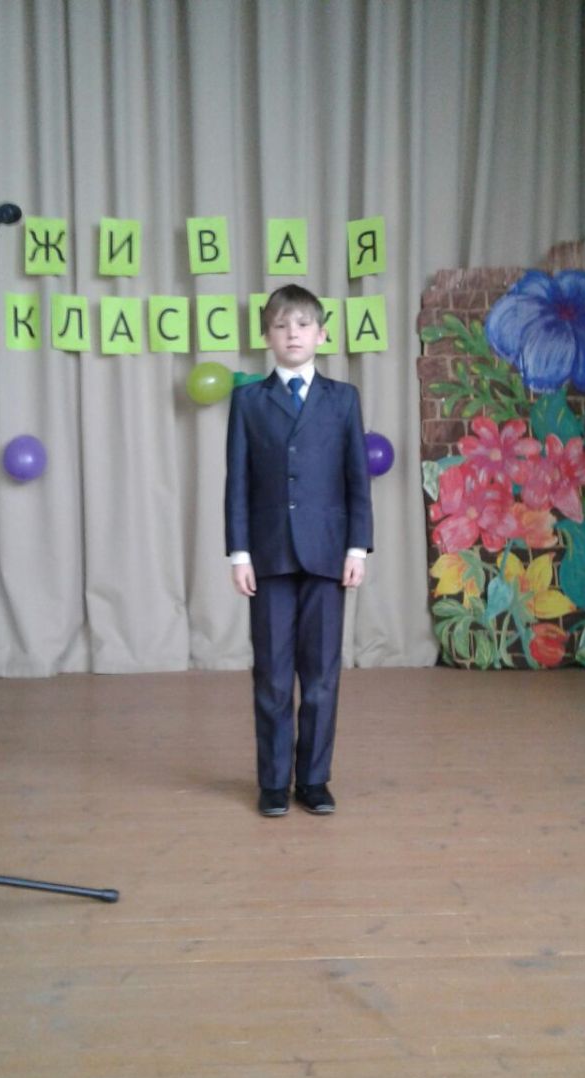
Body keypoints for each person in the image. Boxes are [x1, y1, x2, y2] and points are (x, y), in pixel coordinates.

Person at [225, 284, 374, 817]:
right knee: (271, 674)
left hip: (328, 555)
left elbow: (357, 479)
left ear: (321, 334)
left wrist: (358, 547)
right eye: (281, 326)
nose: (293, 334)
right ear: (267, 336)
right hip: (268, 558)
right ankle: (272, 782)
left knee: (321, 675)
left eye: (303, 325)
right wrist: (239, 554)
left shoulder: (343, 399)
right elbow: (237, 483)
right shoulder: (248, 401)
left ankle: (313, 779)